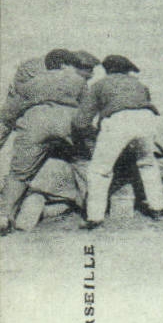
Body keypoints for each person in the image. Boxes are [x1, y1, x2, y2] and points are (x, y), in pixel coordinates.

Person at [0, 49, 97, 233]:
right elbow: (86, 111)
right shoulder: (78, 81)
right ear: (63, 65)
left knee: (19, 174)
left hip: (35, 123)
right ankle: (93, 212)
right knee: (83, 165)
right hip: (69, 122)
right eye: (72, 65)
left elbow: (8, 115)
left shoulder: (30, 84)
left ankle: (3, 217)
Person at [73, 55, 163, 228]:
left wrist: (95, 136)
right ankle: (158, 208)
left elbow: (80, 122)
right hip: (147, 118)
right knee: (148, 165)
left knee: (99, 170)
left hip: (118, 121)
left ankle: (94, 218)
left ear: (107, 70)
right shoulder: (139, 85)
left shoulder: (99, 85)